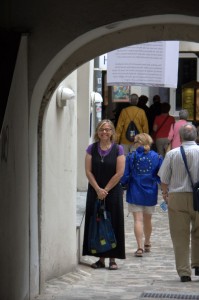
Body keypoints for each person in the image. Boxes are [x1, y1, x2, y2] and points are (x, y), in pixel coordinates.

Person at [158, 124, 199, 282]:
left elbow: (164, 178)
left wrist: (165, 194)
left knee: (179, 236)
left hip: (177, 196)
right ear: (196, 136)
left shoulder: (172, 154)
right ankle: (198, 264)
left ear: (180, 137)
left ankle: (184, 272)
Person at [82, 119, 126, 270]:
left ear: (112, 132)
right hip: (95, 191)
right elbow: (88, 171)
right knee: (97, 222)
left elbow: (119, 173)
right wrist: (98, 189)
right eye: (102, 129)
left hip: (112, 192)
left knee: (113, 223)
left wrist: (105, 190)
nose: (104, 132)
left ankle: (112, 259)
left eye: (107, 129)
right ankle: (100, 258)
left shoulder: (118, 149)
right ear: (97, 132)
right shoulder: (91, 149)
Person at [120, 133, 163, 257]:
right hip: (150, 191)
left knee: (137, 220)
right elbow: (161, 175)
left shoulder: (132, 156)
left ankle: (139, 247)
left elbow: (125, 174)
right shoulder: (157, 157)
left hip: (135, 190)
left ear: (138, 143)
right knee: (148, 219)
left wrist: (122, 184)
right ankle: (148, 242)